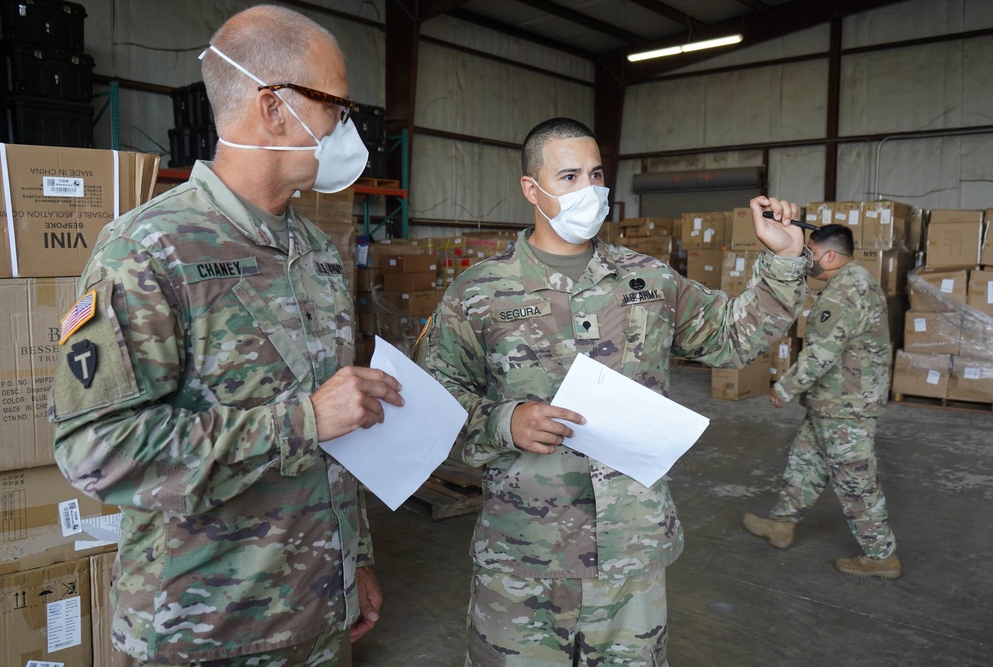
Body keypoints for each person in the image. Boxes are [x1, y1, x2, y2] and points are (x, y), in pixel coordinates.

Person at [49, 6, 404, 665]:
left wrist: (354, 559)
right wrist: (301, 420)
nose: (345, 128)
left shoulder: (318, 252)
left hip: (318, 612)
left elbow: (335, 442)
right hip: (203, 630)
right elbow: (95, 450)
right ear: (273, 108)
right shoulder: (149, 249)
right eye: (335, 106)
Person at [420, 117, 810, 666]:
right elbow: (431, 397)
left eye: (597, 175)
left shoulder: (648, 279)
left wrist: (784, 260)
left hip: (631, 556)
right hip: (525, 554)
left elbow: (730, 338)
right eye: (570, 176)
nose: (590, 190)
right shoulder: (479, 291)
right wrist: (503, 420)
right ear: (532, 190)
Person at [743, 223, 900, 578]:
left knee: (855, 480)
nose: (807, 259)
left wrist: (784, 388)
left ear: (829, 255)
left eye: (810, 252)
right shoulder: (854, 281)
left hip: (846, 406)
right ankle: (782, 524)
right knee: (805, 463)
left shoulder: (845, 290)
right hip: (832, 402)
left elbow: (822, 353)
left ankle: (881, 556)